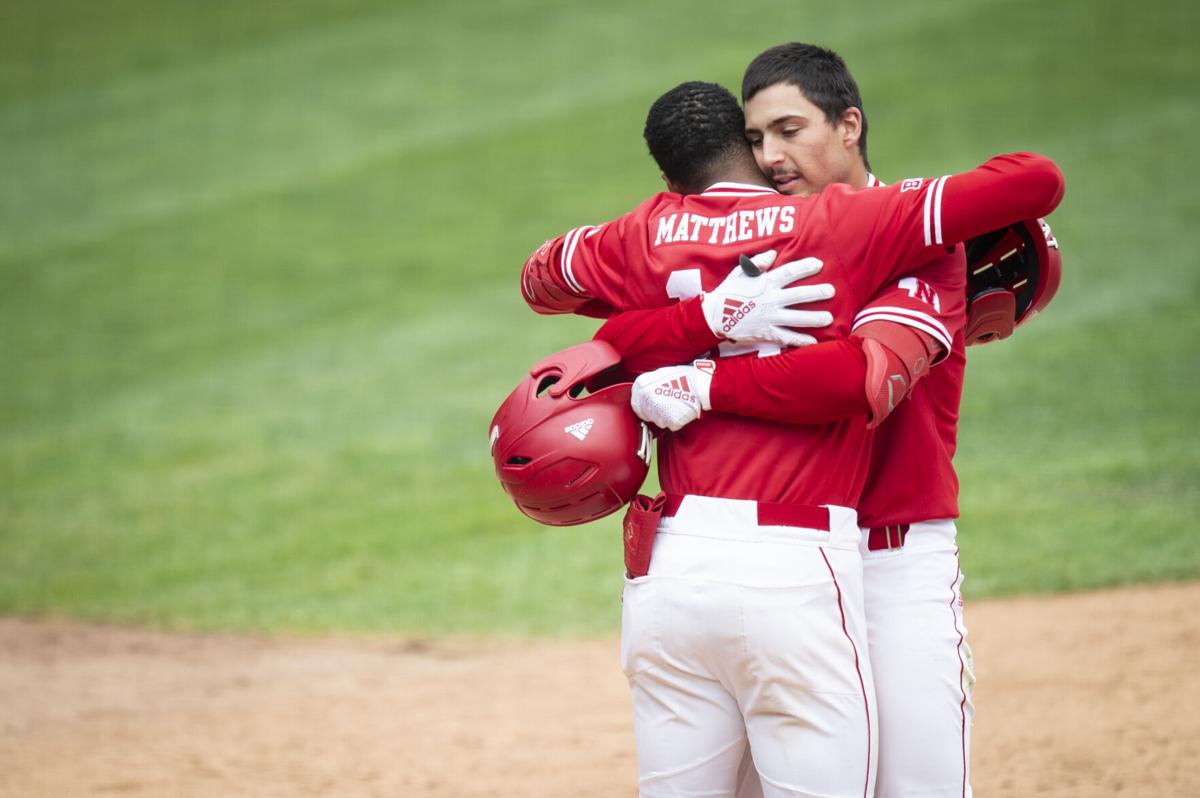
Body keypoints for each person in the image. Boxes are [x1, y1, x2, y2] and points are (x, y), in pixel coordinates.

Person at [519, 80, 1063, 797]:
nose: (773, 155)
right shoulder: (838, 227)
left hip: (883, 558)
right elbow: (619, 329)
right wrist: (707, 317)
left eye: (787, 131)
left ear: (848, 127)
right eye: (758, 138)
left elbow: (856, 378)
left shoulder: (895, 229)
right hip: (797, 562)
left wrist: (699, 372)